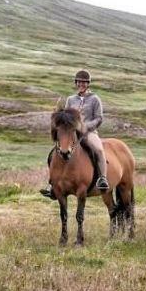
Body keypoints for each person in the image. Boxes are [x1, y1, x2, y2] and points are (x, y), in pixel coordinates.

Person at [41, 69, 109, 199]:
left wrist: (85, 127)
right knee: (54, 152)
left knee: (99, 149)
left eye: (84, 82)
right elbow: (66, 117)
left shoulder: (95, 99)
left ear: (88, 84)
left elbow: (99, 118)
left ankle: (102, 178)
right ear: (76, 83)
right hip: (72, 133)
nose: (81, 84)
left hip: (89, 132)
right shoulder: (71, 99)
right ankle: (52, 183)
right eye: (79, 82)